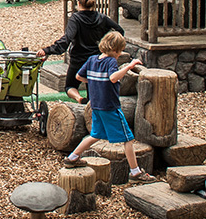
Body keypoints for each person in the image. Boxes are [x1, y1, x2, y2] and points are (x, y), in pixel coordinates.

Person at [60, 32, 155, 182]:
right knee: (128, 139)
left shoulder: (92, 60)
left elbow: (78, 77)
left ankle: (72, 158)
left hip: (95, 105)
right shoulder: (111, 61)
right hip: (110, 107)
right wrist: (129, 66)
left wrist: (94, 82)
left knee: (95, 135)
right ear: (116, 50)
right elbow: (113, 78)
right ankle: (135, 173)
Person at [38, 0, 123, 102]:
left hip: (78, 58)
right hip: (96, 58)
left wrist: (47, 50)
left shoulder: (76, 19)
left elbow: (66, 40)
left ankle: (79, 98)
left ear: (78, 3)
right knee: (92, 87)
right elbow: (119, 30)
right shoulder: (101, 17)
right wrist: (106, 43)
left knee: (70, 86)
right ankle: (91, 106)